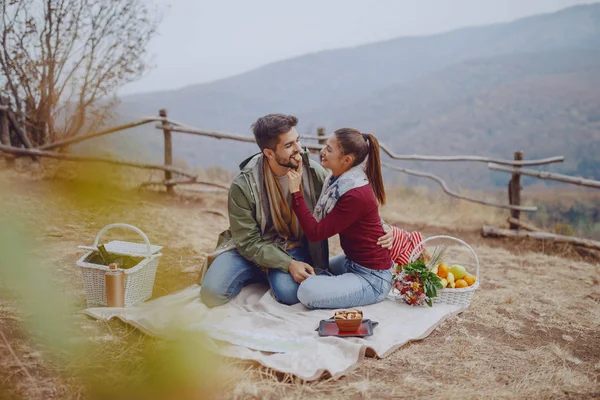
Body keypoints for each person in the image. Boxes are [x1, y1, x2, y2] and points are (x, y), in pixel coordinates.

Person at [199, 114, 394, 308]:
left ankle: (272, 276)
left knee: (290, 294)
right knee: (211, 294)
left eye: (297, 140)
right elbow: (247, 241)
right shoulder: (244, 185)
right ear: (269, 153)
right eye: (288, 145)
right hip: (249, 250)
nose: (299, 149)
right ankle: (262, 272)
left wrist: (383, 227)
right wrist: (287, 265)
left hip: (293, 248)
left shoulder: (313, 173)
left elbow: (348, 202)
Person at [287, 128, 394, 309]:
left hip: (372, 278)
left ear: (347, 160)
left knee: (306, 291)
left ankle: (348, 288)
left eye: (329, 149)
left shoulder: (354, 193)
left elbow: (315, 233)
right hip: (351, 261)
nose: (322, 152)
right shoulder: (337, 179)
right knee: (315, 268)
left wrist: (295, 192)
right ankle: (338, 286)